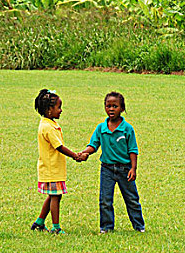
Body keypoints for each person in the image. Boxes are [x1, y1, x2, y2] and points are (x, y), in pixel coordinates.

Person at [80, 91, 145, 234]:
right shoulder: (101, 128)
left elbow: (133, 150)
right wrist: (84, 152)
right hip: (107, 169)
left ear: (122, 109)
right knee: (105, 200)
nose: (111, 109)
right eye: (108, 106)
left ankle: (139, 226)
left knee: (132, 199)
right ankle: (106, 227)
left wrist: (133, 168)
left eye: (115, 106)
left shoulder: (127, 129)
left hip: (125, 169)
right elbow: (93, 145)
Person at [31, 89, 84, 234]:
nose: (61, 110)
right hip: (51, 169)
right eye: (58, 107)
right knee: (55, 197)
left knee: (54, 195)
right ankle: (56, 227)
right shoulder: (48, 127)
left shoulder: (48, 124)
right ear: (49, 110)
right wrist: (75, 155)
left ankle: (39, 222)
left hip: (52, 168)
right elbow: (59, 147)